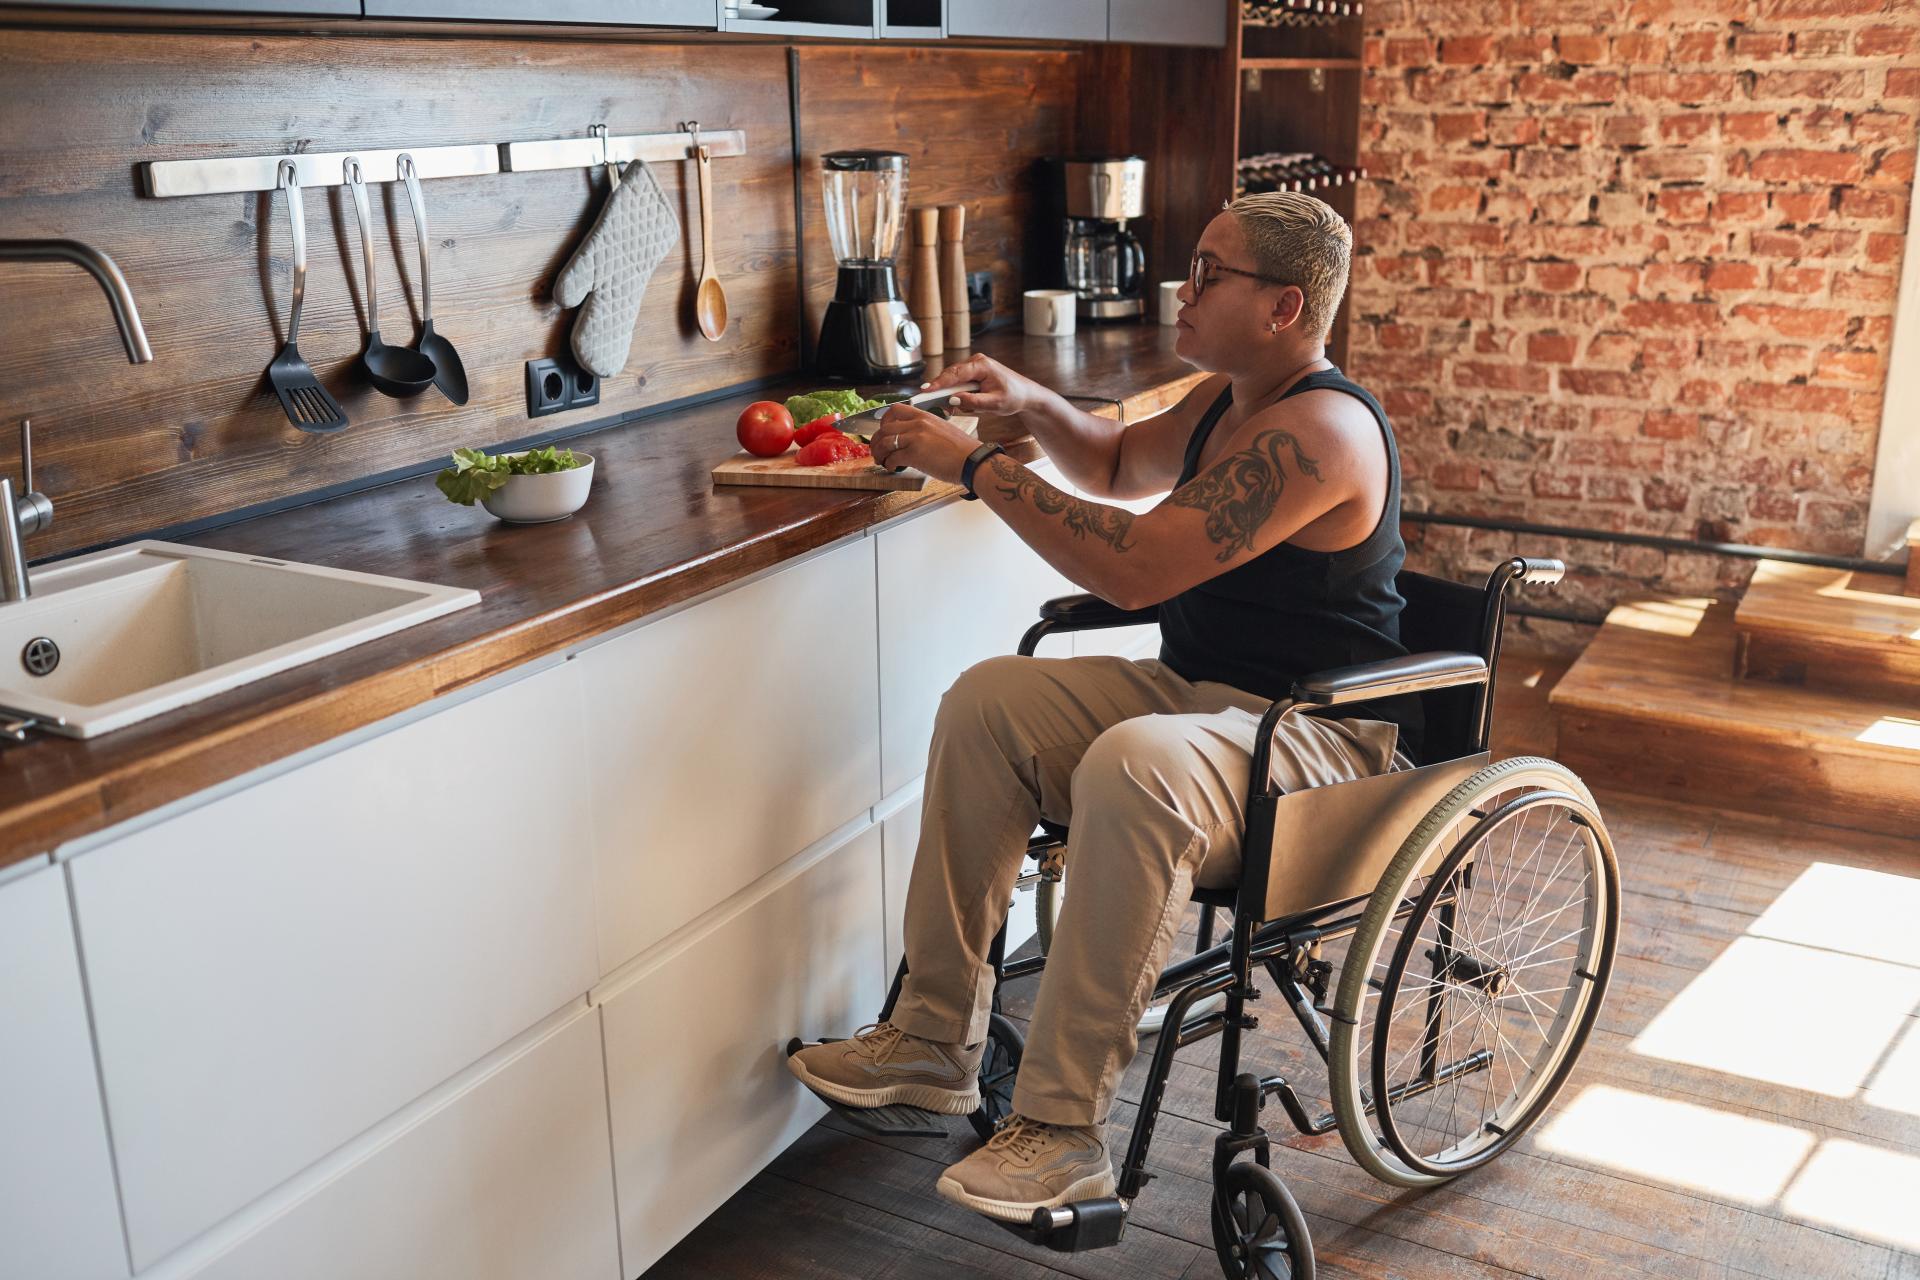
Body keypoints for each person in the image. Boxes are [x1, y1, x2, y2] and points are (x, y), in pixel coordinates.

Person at [787, 191, 1424, 1224]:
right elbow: (1119, 462)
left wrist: (978, 465)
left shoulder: (1319, 430)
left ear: (1284, 308)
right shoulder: (1232, 399)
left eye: (1212, 273)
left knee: (1136, 761)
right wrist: (1030, 403)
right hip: (1203, 707)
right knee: (993, 698)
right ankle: (934, 1037)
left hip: (1318, 740)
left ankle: (1064, 1132)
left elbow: (1133, 570)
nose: (1184, 285)